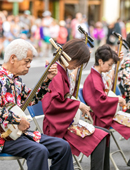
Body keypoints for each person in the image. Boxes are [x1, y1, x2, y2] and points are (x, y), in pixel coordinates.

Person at [0, 39, 74, 170]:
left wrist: (47, 80)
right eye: (27, 61)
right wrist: (18, 121)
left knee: (62, 146)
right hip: (0, 138)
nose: (29, 65)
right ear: (13, 58)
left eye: (30, 61)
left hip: (19, 135)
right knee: (39, 151)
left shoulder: (16, 81)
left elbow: (32, 99)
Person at [41, 39, 110, 170]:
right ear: (72, 56)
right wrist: (78, 104)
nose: (78, 65)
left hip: (63, 120)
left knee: (105, 133)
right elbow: (54, 104)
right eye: (78, 61)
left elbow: (66, 95)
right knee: (100, 137)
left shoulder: (63, 71)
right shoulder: (55, 73)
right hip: (57, 125)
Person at [83, 44, 130, 170]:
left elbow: (103, 96)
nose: (110, 68)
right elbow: (100, 101)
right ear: (100, 61)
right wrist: (117, 99)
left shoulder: (97, 75)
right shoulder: (94, 78)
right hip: (101, 114)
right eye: (109, 65)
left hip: (105, 111)